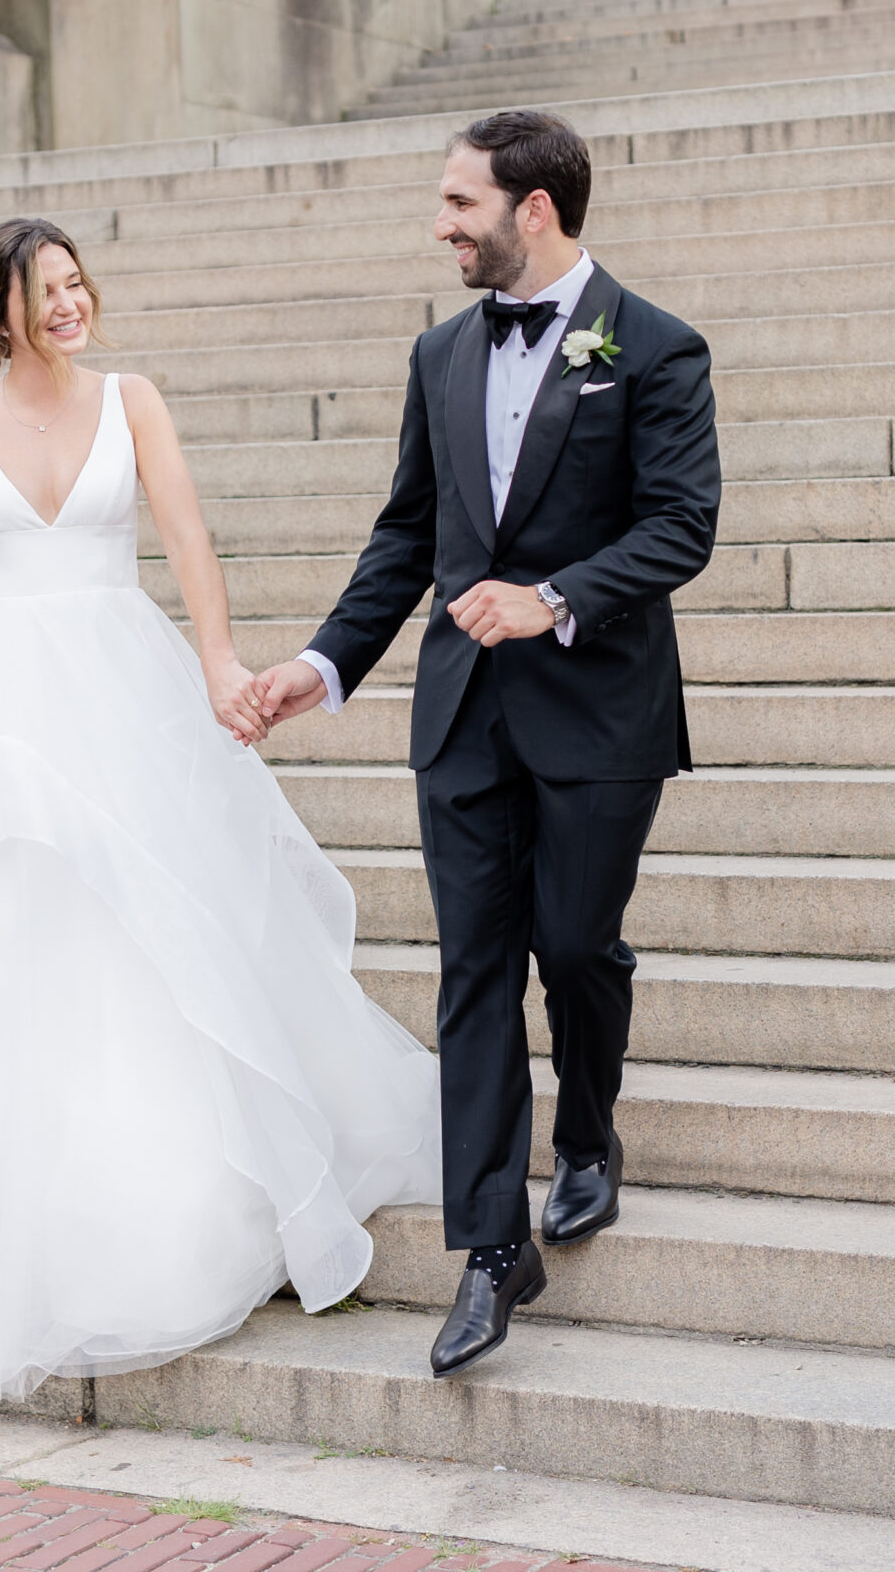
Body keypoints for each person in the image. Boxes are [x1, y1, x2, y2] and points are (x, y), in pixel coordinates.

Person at [0, 218, 442, 1404]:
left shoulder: (132, 400)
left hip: (120, 688)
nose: (72, 306)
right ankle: (16, 1224)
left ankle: (177, 1204)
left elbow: (183, 534)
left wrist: (219, 664)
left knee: (153, 939)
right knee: (16, 955)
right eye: (47, 292)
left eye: (78, 284)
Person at [250, 110, 721, 1378]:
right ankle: (489, 1246)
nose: (442, 223)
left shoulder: (659, 350)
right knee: (471, 972)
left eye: (462, 202)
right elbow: (408, 535)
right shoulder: (439, 356)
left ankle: (589, 1135)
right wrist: (320, 663)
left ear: (537, 211)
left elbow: (683, 527)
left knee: (572, 948)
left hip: (600, 715)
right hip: (460, 716)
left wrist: (553, 597)